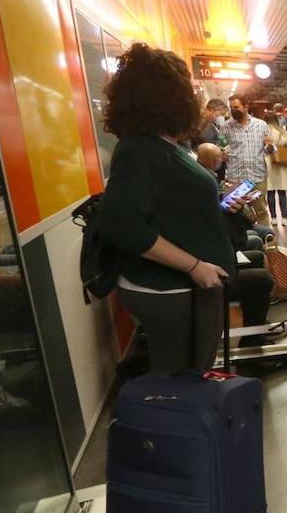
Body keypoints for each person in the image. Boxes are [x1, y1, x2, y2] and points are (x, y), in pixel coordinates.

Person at [97, 43, 236, 372]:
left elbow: (170, 207)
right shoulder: (141, 151)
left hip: (184, 290)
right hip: (170, 291)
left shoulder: (161, 145)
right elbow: (120, 223)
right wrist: (194, 266)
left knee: (190, 374)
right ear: (170, 96)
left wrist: (218, 208)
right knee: (181, 381)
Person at [195, 144, 274, 344]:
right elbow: (238, 239)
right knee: (262, 277)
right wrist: (235, 212)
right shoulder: (205, 187)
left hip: (212, 255)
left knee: (257, 256)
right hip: (208, 271)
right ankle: (253, 340)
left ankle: (257, 326)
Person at [223, 95, 275, 228]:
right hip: (236, 179)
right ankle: (244, 242)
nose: (232, 110)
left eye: (236, 107)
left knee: (261, 211)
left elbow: (270, 150)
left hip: (257, 177)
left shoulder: (261, 125)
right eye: (231, 107)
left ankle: (267, 241)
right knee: (237, 212)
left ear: (246, 107)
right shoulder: (226, 127)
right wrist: (222, 154)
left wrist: (269, 146)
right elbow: (221, 147)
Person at [264, 112, 287, 226]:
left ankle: (273, 218)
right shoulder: (282, 132)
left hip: (267, 163)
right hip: (280, 163)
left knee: (270, 192)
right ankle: (285, 218)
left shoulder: (263, 131)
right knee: (282, 192)